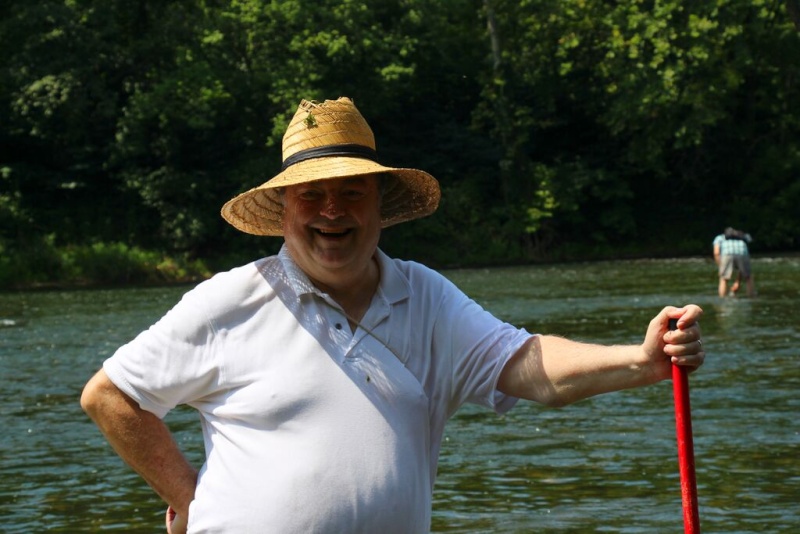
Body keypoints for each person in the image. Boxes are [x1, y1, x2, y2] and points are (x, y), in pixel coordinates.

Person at [81, 97, 705, 534]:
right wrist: (189, 497)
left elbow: (529, 366)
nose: (332, 210)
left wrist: (639, 360)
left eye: (352, 190)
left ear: (380, 204)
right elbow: (110, 396)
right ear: (284, 210)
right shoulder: (230, 299)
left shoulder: (428, 299)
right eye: (312, 195)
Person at [713, 227, 756, 297]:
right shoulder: (741, 239)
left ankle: (722, 298)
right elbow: (741, 270)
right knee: (748, 277)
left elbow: (716, 253)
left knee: (723, 278)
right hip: (742, 253)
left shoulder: (719, 237)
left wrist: (720, 266)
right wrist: (737, 282)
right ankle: (751, 296)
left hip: (727, 254)